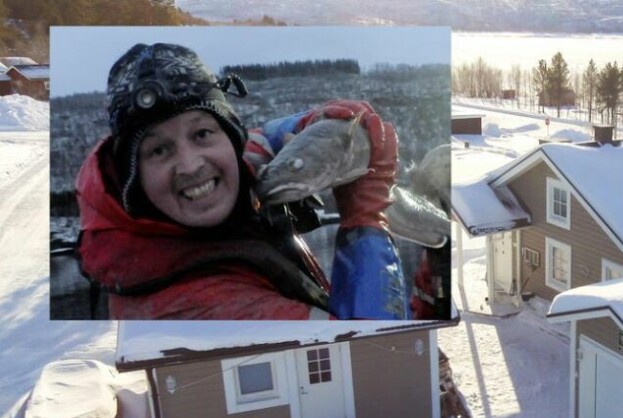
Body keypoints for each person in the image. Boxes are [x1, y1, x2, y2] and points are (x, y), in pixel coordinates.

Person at [76, 43, 408, 320]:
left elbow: (265, 137)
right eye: (159, 150)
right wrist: (368, 220)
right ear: (133, 176)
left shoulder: (232, 165)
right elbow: (371, 354)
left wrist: (320, 122)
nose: (190, 165)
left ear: (229, 137)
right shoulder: (201, 310)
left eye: (202, 132)